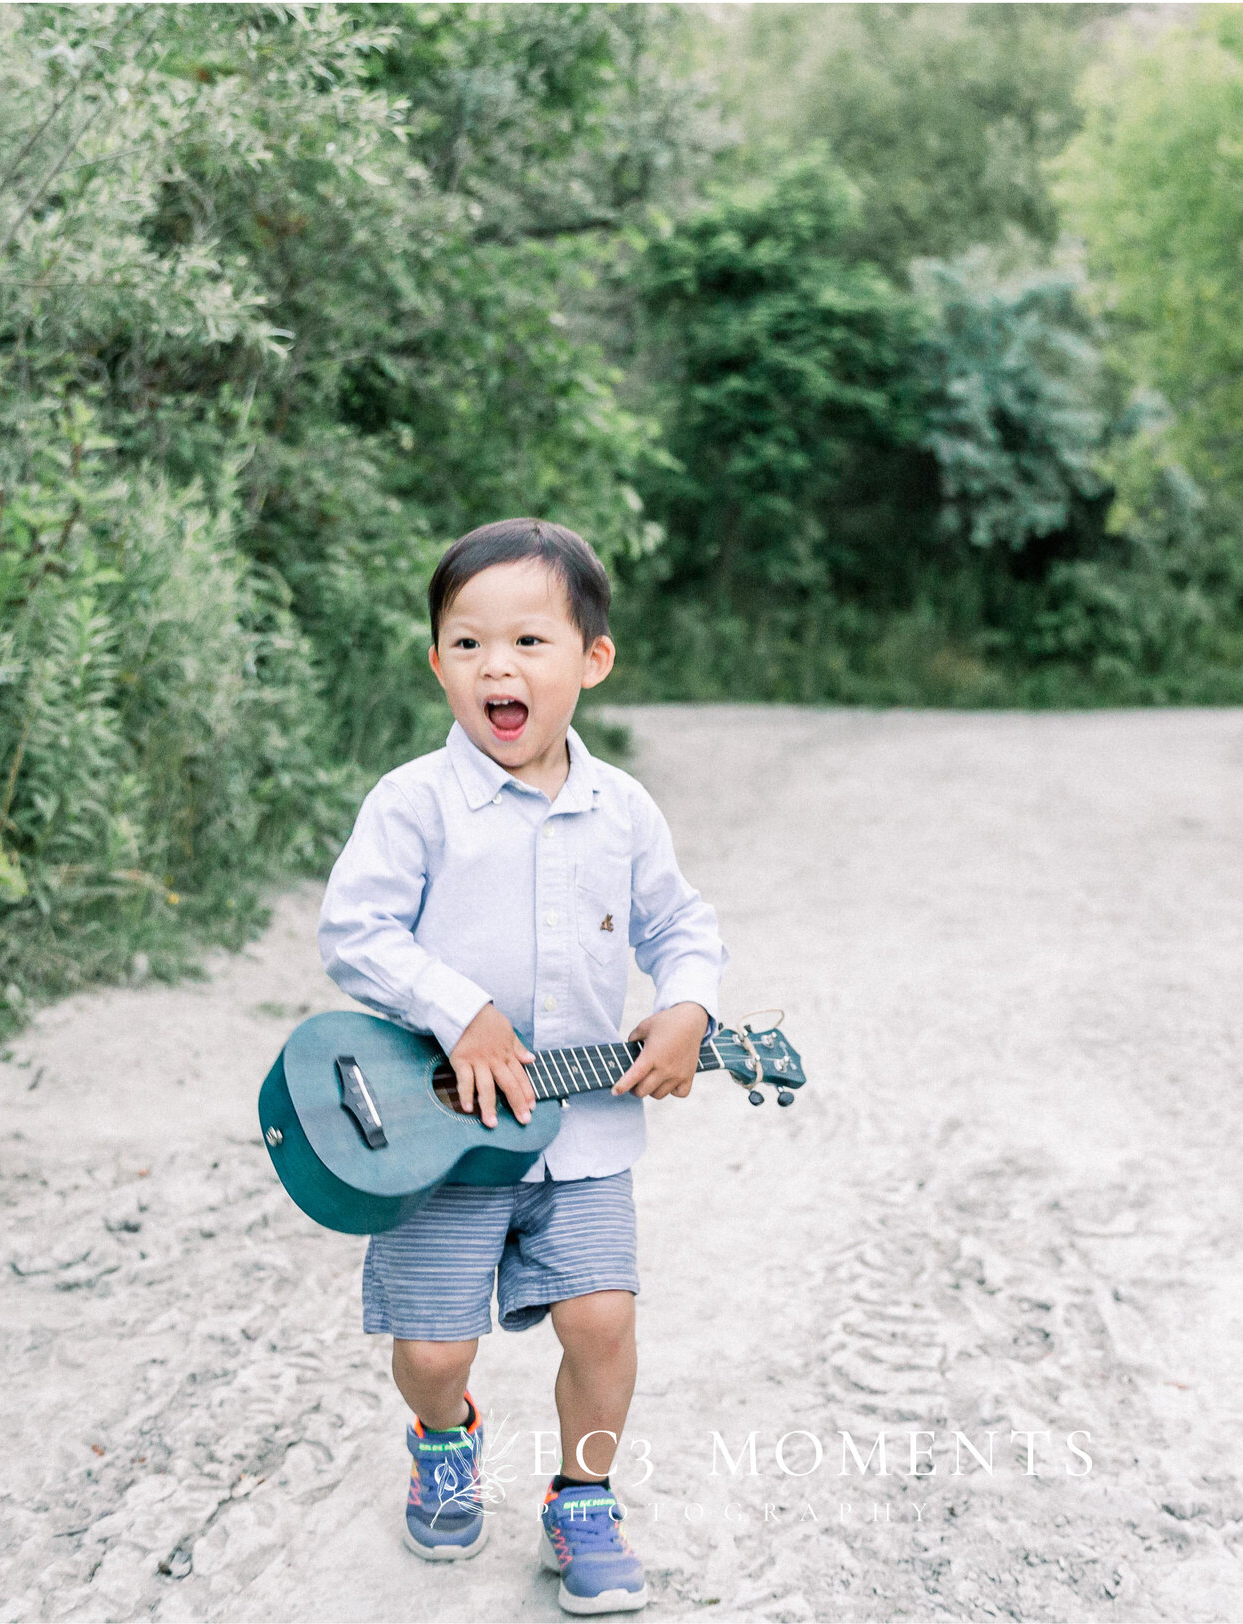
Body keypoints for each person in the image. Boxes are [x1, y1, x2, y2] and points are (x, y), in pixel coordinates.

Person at [316, 517, 727, 1616]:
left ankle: (583, 1498)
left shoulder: (623, 811)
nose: (497, 667)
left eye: (528, 643)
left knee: (601, 1320)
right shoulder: (415, 803)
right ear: (438, 661)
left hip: (582, 1135)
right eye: (467, 644)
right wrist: (463, 1013)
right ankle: (442, 1437)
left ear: (592, 659)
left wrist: (687, 1005)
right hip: (440, 1135)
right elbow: (353, 931)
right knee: (434, 1347)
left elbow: (680, 926)